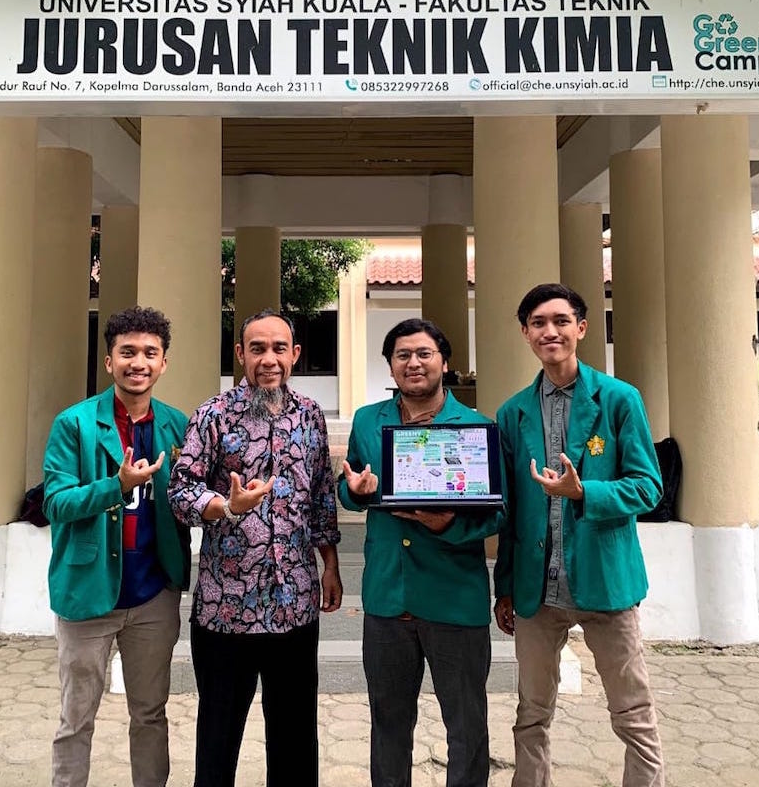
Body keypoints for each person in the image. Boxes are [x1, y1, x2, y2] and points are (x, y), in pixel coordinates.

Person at [494, 283, 665, 787]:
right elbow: (510, 512)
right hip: (537, 589)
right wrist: (504, 587)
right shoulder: (512, 413)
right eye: (538, 323)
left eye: (561, 321)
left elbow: (648, 486)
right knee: (531, 712)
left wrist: (583, 492)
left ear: (582, 328)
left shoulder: (619, 399)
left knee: (632, 712)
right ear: (525, 334)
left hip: (604, 582)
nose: (550, 331)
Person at [168, 309, 342, 787]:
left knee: (295, 737)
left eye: (279, 348)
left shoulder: (310, 415)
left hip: (295, 605)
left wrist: (330, 564)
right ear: (240, 354)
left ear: (295, 354)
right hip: (226, 609)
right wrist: (226, 506)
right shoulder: (213, 415)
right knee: (219, 738)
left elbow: (321, 495)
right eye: (258, 348)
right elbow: (180, 492)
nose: (269, 359)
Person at [339, 318, 504, 787]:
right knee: (388, 724)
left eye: (424, 353)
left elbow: (497, 513)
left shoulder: (477, 428)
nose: (413, 363)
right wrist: (355, 491)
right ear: (391, 366)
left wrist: (448, 524)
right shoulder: (368, 420)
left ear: (444, 362)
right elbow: (348, 486)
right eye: (402, 355)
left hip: (454, 599)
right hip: (388, 597)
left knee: (466, 726)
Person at [43, 306, 190, 787]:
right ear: (109, 361)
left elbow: (192, 496)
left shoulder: (177, 425)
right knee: (76, 717)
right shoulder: (74, 424)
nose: (138, 362)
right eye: (127, 352)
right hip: (88, 592)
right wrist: (117, 486)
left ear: (163, 362)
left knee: (150, 713)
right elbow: (56, 503)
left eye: (150, 353)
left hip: (153, 595)